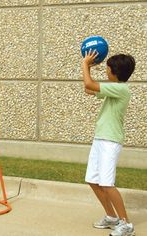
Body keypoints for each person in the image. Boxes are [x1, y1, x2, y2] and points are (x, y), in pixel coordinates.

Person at [82, 50, 136, 236]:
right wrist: (87, 68)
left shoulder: (121, 89)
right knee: (93, 180)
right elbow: (88, 89)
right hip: (100, 138)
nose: (106, 71)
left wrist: (85, 64)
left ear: (115, 72)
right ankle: (111, 217)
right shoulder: (114, 89)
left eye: (107, 69)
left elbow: (89, 83)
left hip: (110, 141)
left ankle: (126, 224)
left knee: (107, 184)